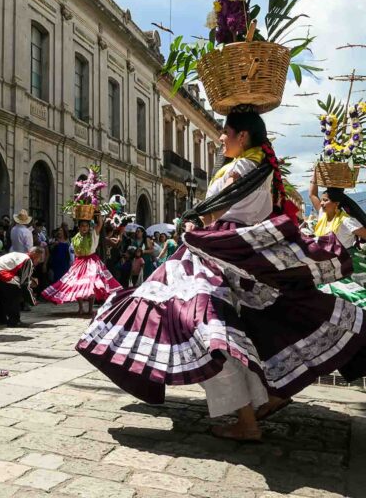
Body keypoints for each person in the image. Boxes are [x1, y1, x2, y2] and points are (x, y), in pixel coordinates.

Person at [76, 108, 366, 443]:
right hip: (234, 251)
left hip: (216, 248)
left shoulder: (241, 167)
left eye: (225, 132)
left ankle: (247, 418)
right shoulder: (263, 168)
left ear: (242, 136)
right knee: (226, 329)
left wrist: (196, 223)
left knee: (202, 327)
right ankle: (261, 401)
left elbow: (218, 206)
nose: (220, 137)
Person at [43, 216, 121, 315]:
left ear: (89, 227)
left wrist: (98, 213)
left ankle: (90, 308)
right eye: (82, 226)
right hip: (79, 262)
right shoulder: (75, 238)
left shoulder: (93, 234)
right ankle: (80, 308)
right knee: (78, 284)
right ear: (79, 227)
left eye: (86, 226)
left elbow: (100, 225)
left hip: (91, 261)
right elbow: (73, 252)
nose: (84, 228)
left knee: (91, 284)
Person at [309, 178, 366, 308]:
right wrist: (315, 174)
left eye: (325, 200)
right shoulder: (322, 214)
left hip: (345, 262)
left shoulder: (347, 221)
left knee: (349, 294)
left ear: (336, 203)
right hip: (324, 262)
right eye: (322, 200)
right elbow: (312, 194)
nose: (322, 203)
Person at [0, 247, 44, 328]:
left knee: (4, 296)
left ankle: (0, 318)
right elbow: (24, 284)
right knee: (15, 294)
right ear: (35, 255)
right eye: (39, 258)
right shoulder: (28, 260)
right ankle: (14, 321)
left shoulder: (21, 256)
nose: (39, 261)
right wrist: (32, 300)